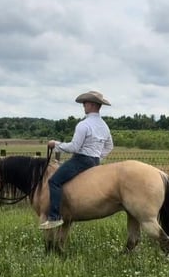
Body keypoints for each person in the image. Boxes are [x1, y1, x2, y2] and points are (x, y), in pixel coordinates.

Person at [40, 90, 114, 229]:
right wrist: (99, 156)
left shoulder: (83, 125)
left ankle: (54, 217)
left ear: (92, 104)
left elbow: (74, 147)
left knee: (54, 181)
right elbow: (110, 146)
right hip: (95, 162)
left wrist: (55, 144)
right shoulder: (104, 126)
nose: (83, 105)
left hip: (81, 160)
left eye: (85, 103)